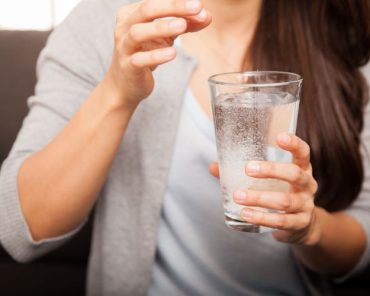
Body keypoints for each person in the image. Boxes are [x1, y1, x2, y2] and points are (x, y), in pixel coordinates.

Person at [0, 0, 369, 295]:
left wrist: (311, 230)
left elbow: (363, 236)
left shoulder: (344, 32)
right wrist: (117, 91)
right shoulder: (106, 24)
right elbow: (21, 230)